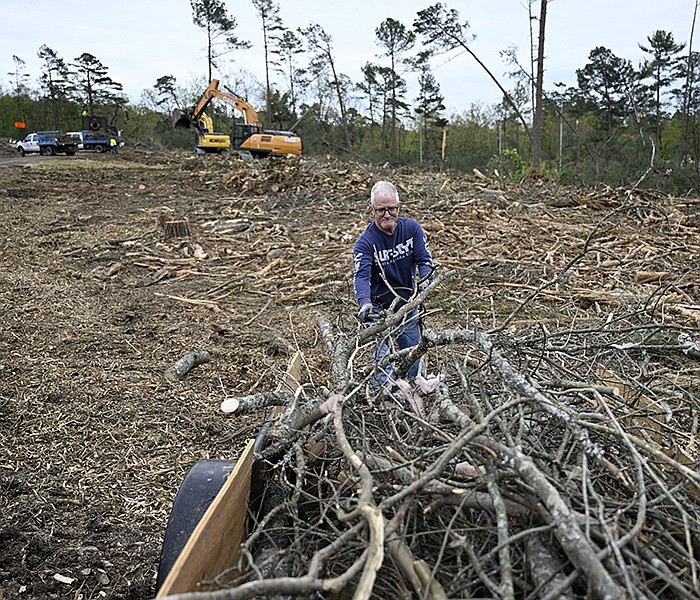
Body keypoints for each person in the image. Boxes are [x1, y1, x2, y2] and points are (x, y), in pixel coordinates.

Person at [353, 180, 435, 383]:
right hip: (379, 310)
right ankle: (385, 401)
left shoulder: (412, 229)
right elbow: (361, 276)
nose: (387, 214)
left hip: (407, 304)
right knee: (382, 360)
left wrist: (425, 280)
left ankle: (416, 395)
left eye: (391, 209)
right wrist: (364, 303)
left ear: (399, 207)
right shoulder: (365, 243)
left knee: (414, 355)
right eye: (381, 210)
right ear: (371, 209)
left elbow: (425, 260)